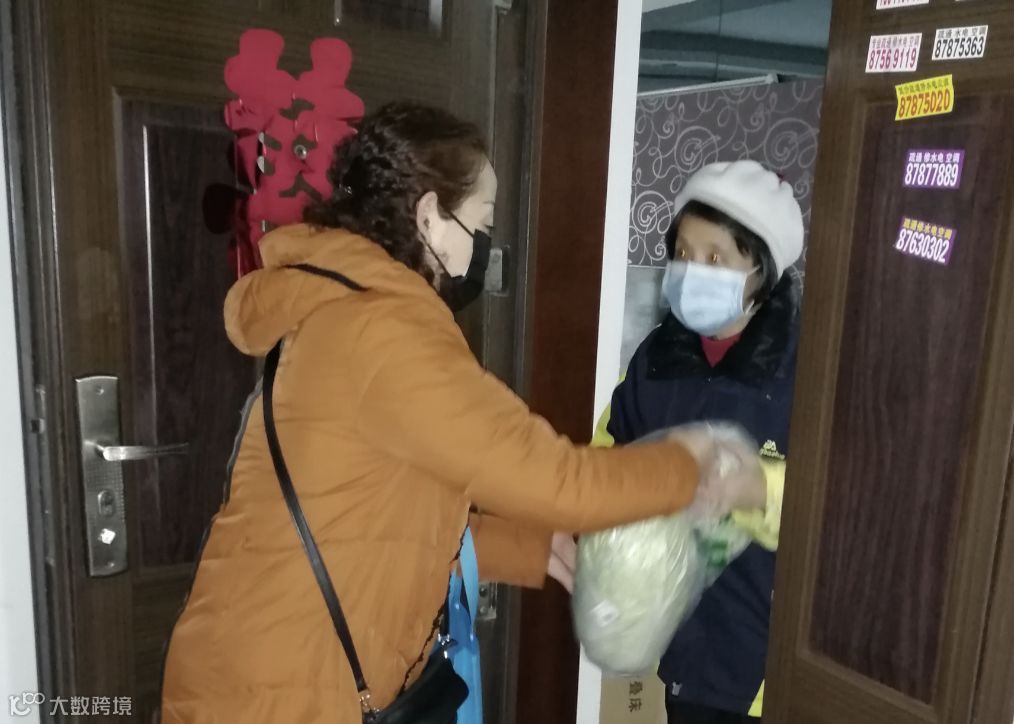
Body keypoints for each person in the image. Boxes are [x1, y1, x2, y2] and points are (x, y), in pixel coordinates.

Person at [160, 103, 762, 724]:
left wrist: (532, 549)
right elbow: (560, 482)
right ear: (429, 216)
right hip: (280, 691)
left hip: (265, 664)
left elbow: (385, 511)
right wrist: (694, 464)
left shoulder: (346, 312)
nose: (485, 244)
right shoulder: (384, 334)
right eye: (483, 220)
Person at [595, 160, 804, 724]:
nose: (692, 271)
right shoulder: (658, 357)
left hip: (768, 665)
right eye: (683, 253)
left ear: (761, 271)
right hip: (683, 647)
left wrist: (757, 487)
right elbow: (606, 454)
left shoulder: (806, 371)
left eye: (715, 258)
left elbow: (841, 511)